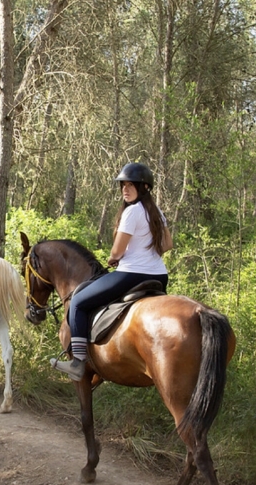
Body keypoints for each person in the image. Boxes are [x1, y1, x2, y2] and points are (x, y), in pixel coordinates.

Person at [51, 162, 173, 381]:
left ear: (144, 187)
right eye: (123, 185)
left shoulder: (132, 212)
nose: (125, 189)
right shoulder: (156, 212)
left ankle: (78, 362)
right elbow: (167, 244)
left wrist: (114, 258)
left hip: (130, 274)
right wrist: (146, 254)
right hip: (159, 276)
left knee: (78, 301)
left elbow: (117, 250)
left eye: (130, 185)